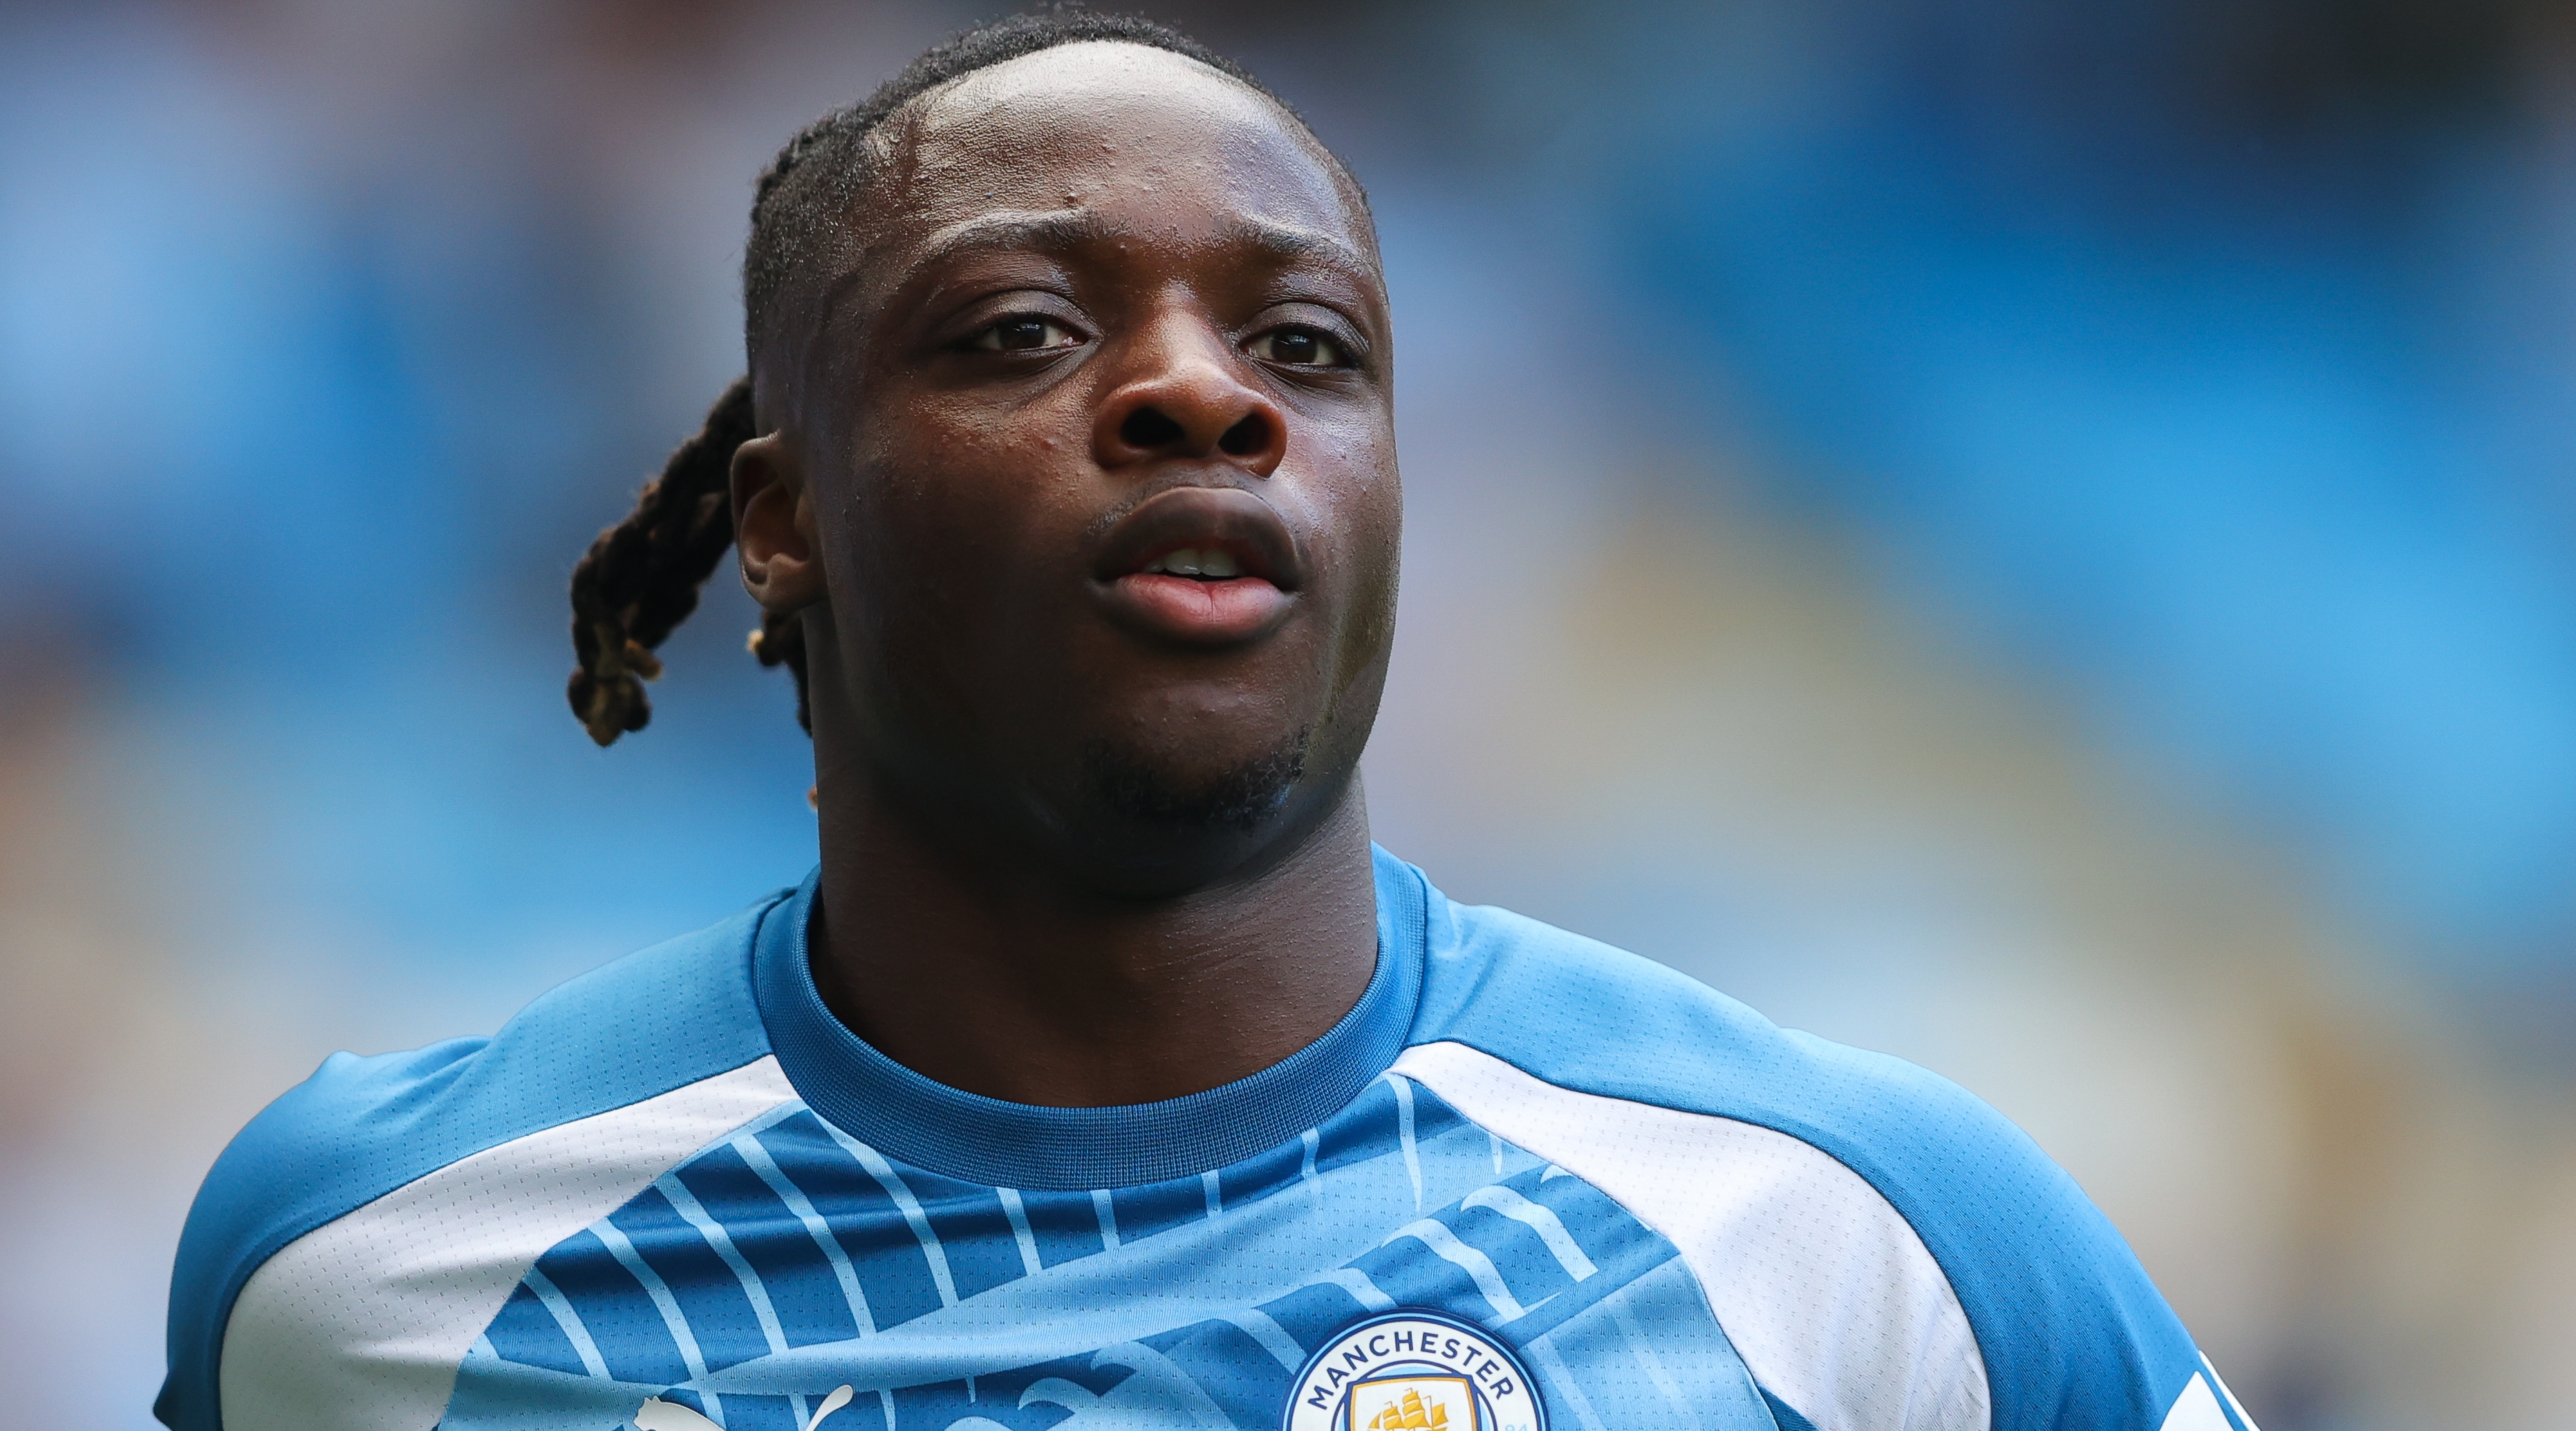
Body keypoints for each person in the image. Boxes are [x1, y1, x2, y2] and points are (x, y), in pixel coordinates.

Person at [156, 13, 2261, 1431]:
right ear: (778, 526)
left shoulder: (1861, 1241)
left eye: (1310, 343)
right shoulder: (372, 1272)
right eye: (1025, 329)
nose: (1205, 393)